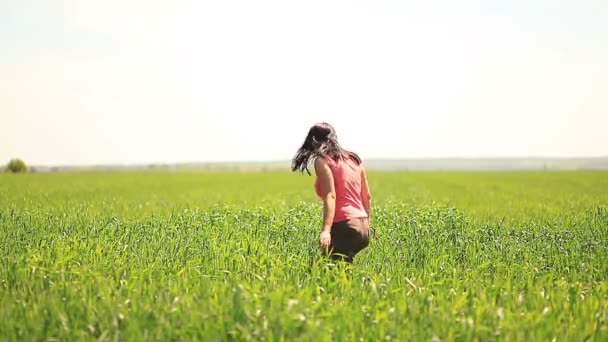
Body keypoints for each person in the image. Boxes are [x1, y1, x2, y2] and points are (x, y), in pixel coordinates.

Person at [292, 122, 373, 263]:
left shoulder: (322, 161)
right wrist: (367, 224)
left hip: (345, 225)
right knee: (341, 269)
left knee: (323, 270)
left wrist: (326, 230)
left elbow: (331, 195)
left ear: (313, 141)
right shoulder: (354, 159)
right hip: (362, 228)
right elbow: (367, 196)